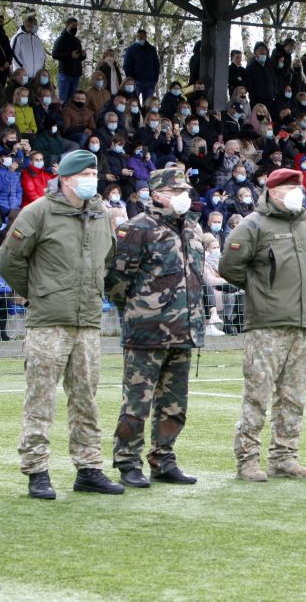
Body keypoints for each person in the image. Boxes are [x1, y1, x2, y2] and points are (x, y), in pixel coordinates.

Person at [0, 150, 124, 499]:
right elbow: (10, 261)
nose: (92, 179)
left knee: (87, 398)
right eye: (85, 173)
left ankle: (89, 467)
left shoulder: (100, 214)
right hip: (48, 322)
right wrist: (38, 294)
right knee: (41, 398)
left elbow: (107, 259)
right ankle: (37, 470)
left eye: (94, 172)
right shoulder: (38, 212)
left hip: (87, 322)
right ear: (66, 178)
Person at [218, 169, 306, 481]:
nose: (298, 192)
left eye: (300, 187)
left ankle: (284, 457)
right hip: (266, 324)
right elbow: (229, 267)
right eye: (291, 187)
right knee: (258, 395)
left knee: (294, 396)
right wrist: (262, 290)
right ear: (274, 191)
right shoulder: (254, 225)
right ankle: (248, 461)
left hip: (301, 323)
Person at [105, 168, 204, 488]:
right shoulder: (136, 229)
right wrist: (138, 312)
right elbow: (117, 282)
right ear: (157, 194)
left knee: (175, 405)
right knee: (136, 404)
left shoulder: (191, 228)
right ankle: (128, 461)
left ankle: (164, 459)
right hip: (146, 333)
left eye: (185, 191)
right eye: (175, 192)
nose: (182, 197)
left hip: (183, 332)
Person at [51, 17, 86, 104]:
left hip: (76, 74)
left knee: (73, 99)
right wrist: (70, 55)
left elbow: (78, 58)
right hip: (65, 74)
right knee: (63, 99)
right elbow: (55, 54)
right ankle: (62, 116)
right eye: (73, 26)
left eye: (76, 26)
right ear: (67, 25)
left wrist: (83, 55)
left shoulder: (76, 40)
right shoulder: (61, 39)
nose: (75, 28)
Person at [121, 29, 160, 101]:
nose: (139, 38)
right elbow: (126, 66)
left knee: (148, 105)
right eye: (138, 36)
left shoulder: (152, 49)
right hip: (136, 82)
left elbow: (156, 65)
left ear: (145, 37)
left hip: (150, 82)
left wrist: (155, 79)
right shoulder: (130, 49)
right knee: (133, 102)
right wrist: (131, 80)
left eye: (142, 37)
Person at [10, 15, 45, 80]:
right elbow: (14, 55)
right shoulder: (18, 37)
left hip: (36, 77)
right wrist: (22, 68)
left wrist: (41, 70)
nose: (37, 27)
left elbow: (42, 56)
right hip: (22, 76)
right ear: (28, 25)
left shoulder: (37, 39)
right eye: (35, 24)